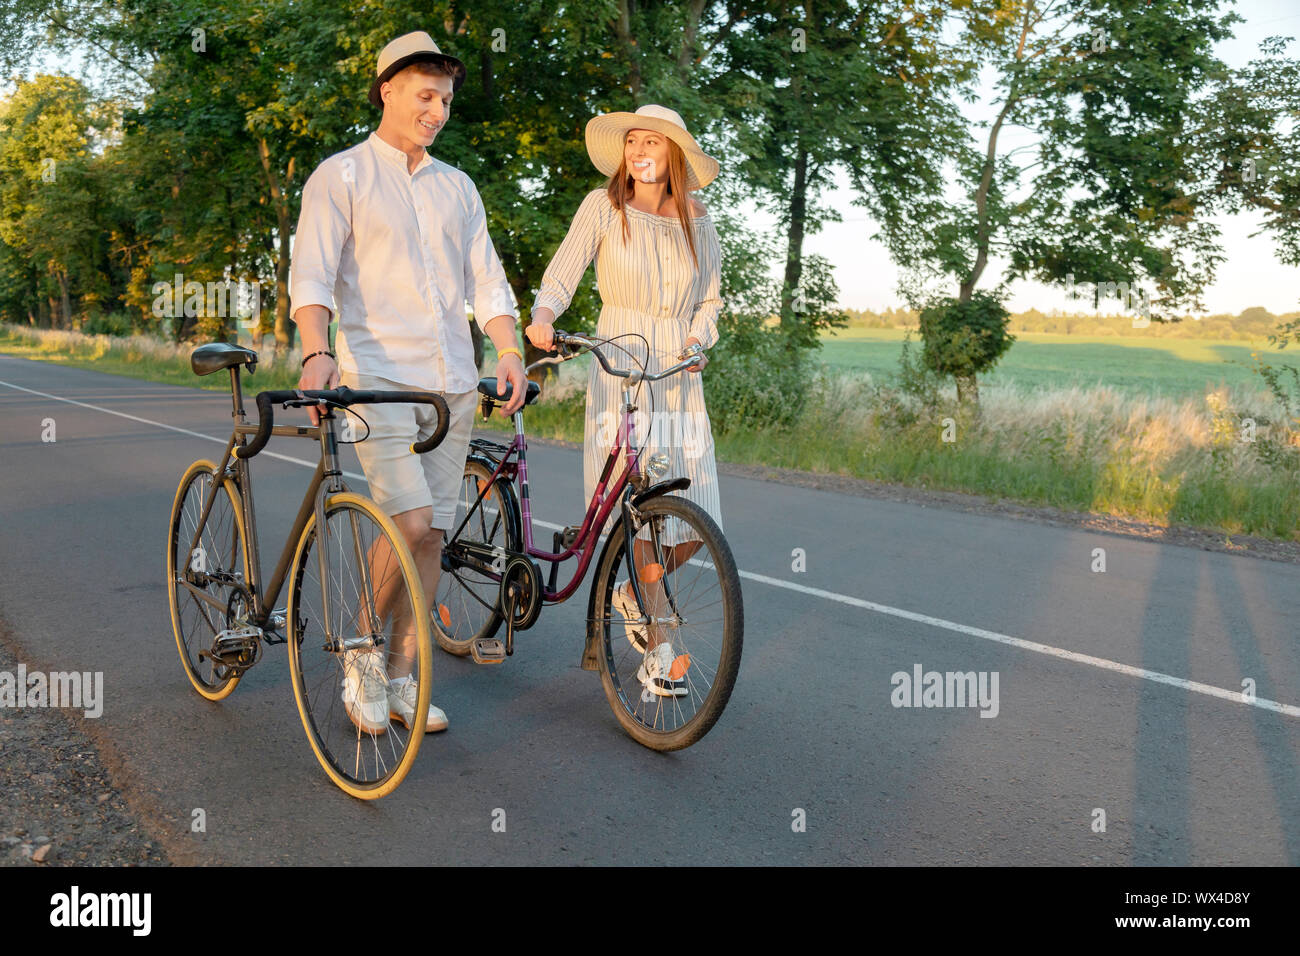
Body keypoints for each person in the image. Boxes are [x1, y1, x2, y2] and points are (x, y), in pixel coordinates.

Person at [289, 31, 527, 735]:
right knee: (408, 521)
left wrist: (507, 347)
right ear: (387, 89)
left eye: (446, 99)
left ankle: (400, 678)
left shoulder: (458, 187)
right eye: (425, 95)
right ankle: (360, 659)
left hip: (450, 381)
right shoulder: (342, 175)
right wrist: (314, 350)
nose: (437, 110)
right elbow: (313, 273)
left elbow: (487, 278)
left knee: (431, 540)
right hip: (377, 380)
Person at [526, 104, 724, 699]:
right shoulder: (603, 206)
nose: (639, 151)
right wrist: (542, 317)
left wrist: (697, 339)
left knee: (695, 513)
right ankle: (661, 648)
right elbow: (564, 271)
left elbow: (710, 299)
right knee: (638, 502)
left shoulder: (698, 216)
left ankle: (629, 588)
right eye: (632, 141)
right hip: (622, 363)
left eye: (653, 143)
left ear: (674, 156)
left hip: (679, 370)